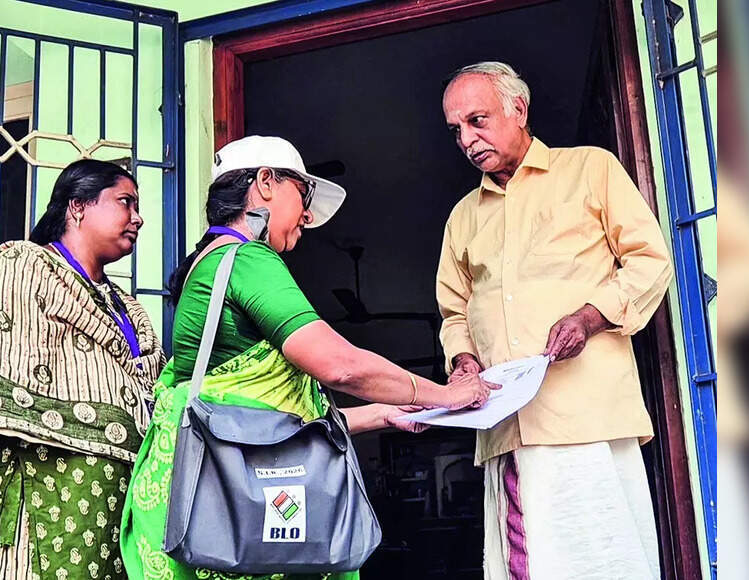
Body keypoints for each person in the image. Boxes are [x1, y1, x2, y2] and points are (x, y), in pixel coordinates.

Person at [121, 136, 492, 579]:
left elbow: (266, 427)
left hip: (210, 521)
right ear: (265, 184)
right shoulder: (246, 259)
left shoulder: (208, 263)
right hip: (233, 526)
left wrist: (384, 414)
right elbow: (342, 366)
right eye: (304, 194)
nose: (308, 215)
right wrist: (445, 394)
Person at [436, 62, 673, 579]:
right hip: (509, 422)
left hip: (589, 413)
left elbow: (651, 260)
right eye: (456, 130)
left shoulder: (590, 169)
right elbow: (455, 310)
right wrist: (464, 361)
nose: (468, 139)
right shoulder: (463, 216)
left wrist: (591, 318)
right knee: (531, 562)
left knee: (605, 554)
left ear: (518, 109)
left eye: (477, 120)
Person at [0, 159, 167, 580]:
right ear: (77, 207)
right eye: (125, 202)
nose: (138, 218)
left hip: (117, 505)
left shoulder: (126, 306)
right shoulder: (21, 267)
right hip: (38, 495)